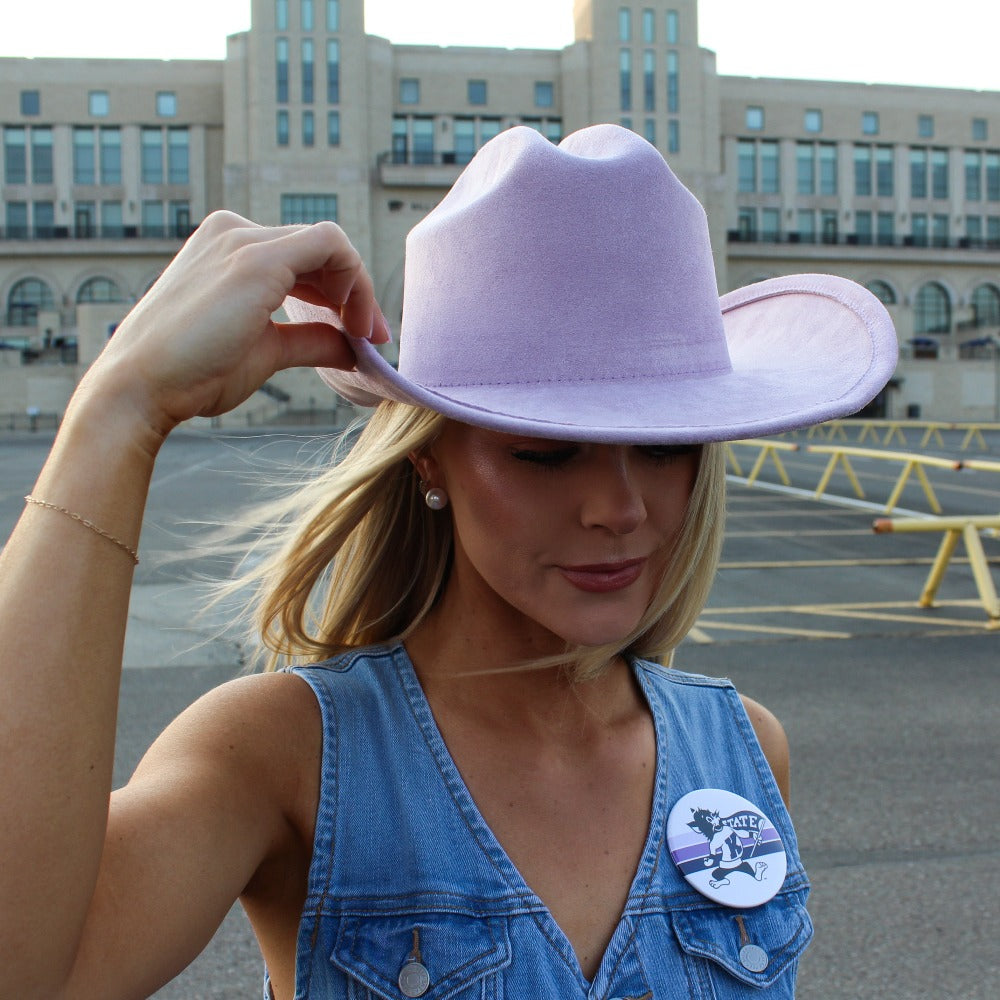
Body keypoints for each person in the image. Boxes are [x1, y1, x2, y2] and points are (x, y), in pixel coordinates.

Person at [0, 124, 897, 999]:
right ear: (428, 457)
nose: (620, 509)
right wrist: (119, 413)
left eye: (667, 447)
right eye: (545, 451)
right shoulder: (285, 754)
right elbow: (29, 971)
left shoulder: (743, 750)